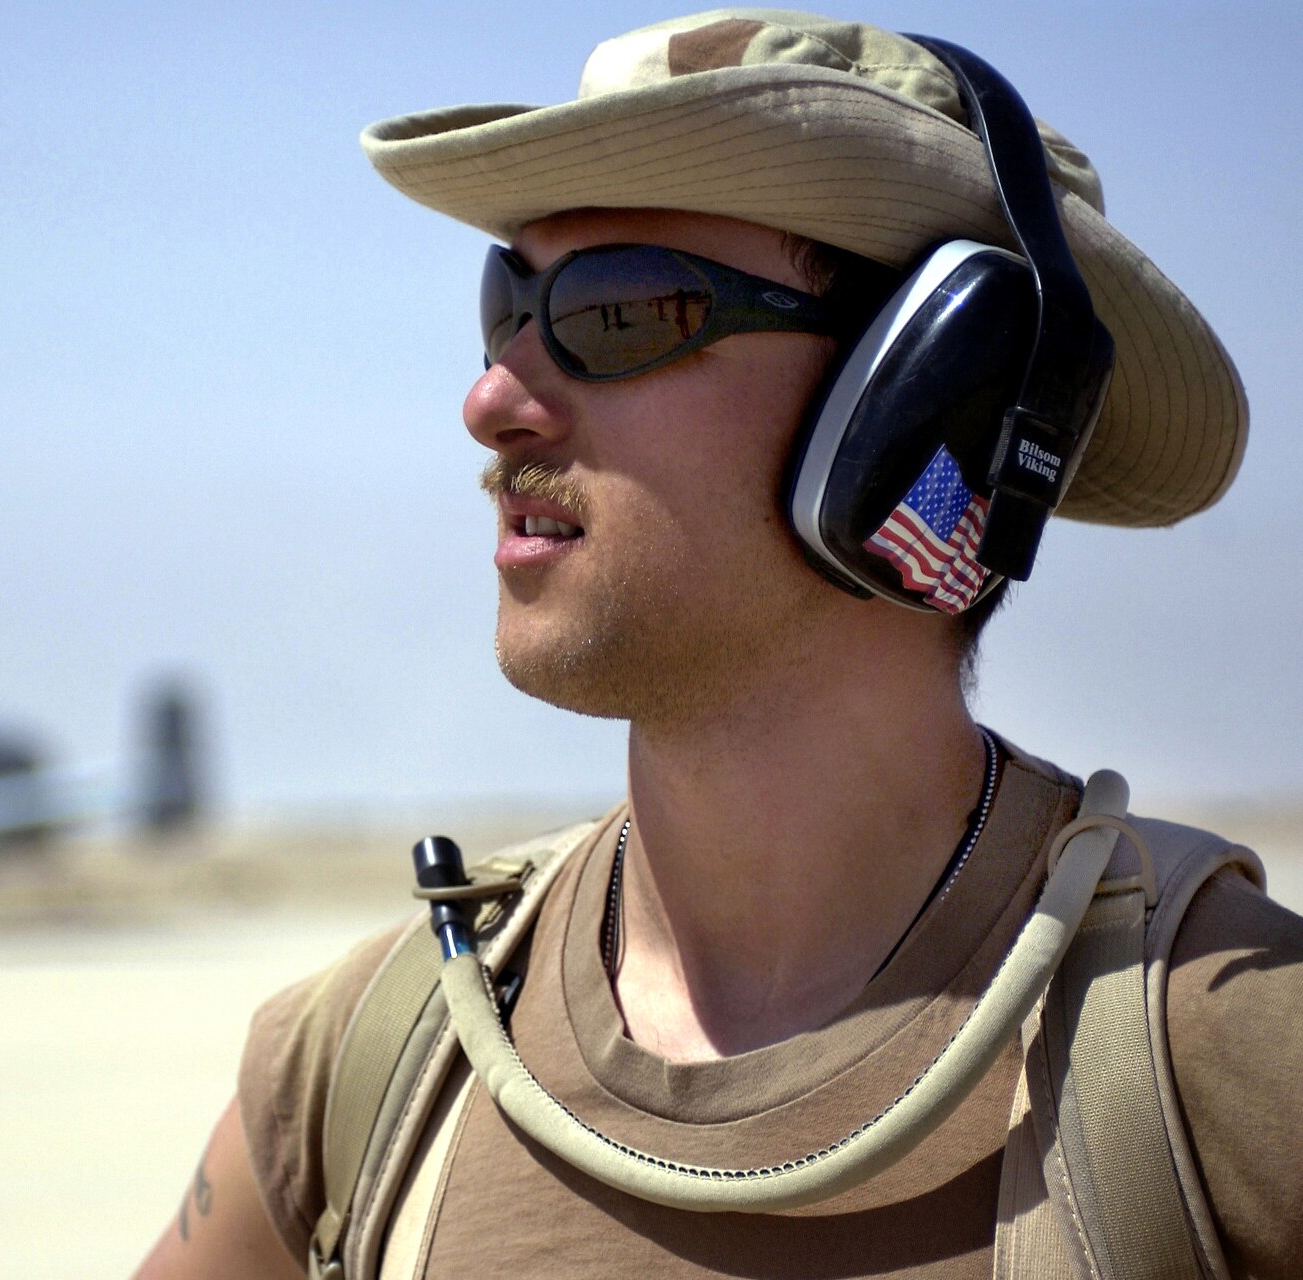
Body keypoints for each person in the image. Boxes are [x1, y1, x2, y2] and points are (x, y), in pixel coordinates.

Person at [133, 11, 1303, 1278]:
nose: (490, 401)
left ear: (923, 401)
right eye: (504, 303)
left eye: (620, 307)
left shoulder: (1228, 1053)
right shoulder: (371, 1063)